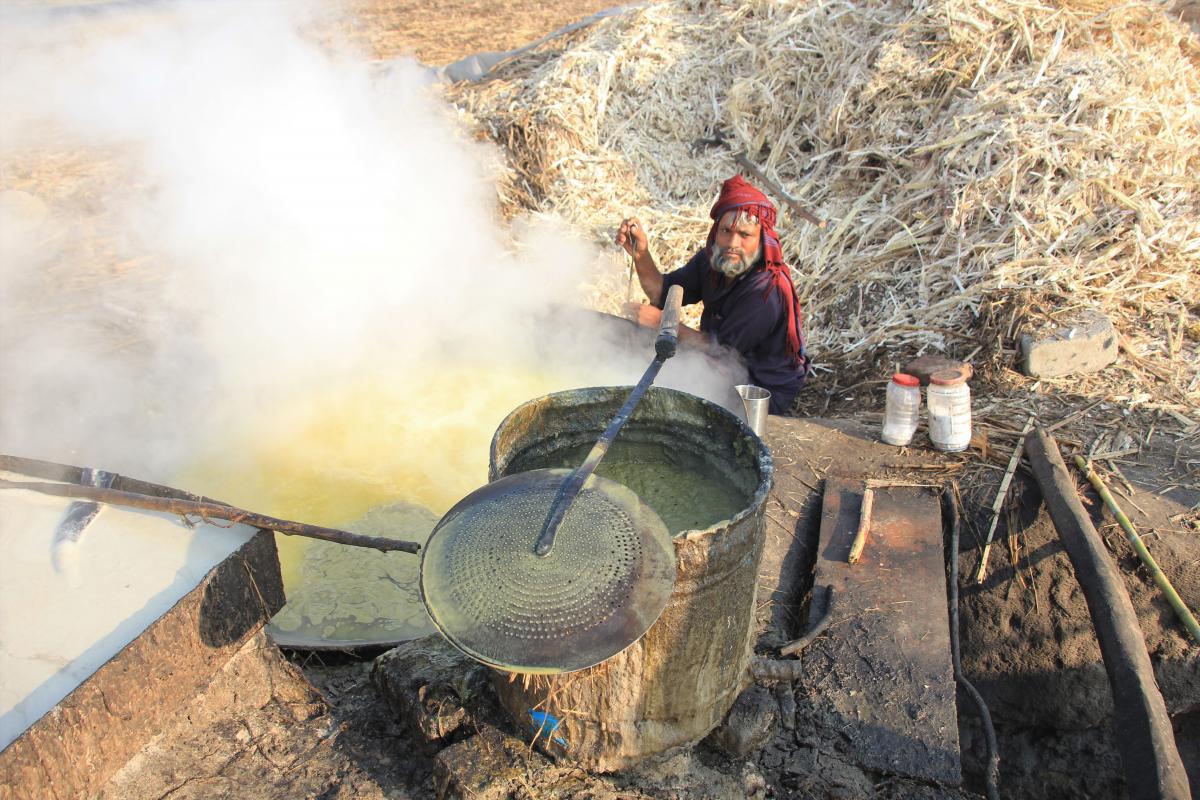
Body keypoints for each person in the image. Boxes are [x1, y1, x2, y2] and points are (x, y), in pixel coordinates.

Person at [616, 175, 811, 414]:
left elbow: (723, 351)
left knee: (665, 379)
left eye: (745, 235)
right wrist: (640, 254)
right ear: (715, 231)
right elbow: (663, 292)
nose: (732, 243)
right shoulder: (711, 261)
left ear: (761, 240)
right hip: (720, 361)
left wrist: (662, 323)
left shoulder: (767, 292)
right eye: (726, 231)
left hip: (757, 389)